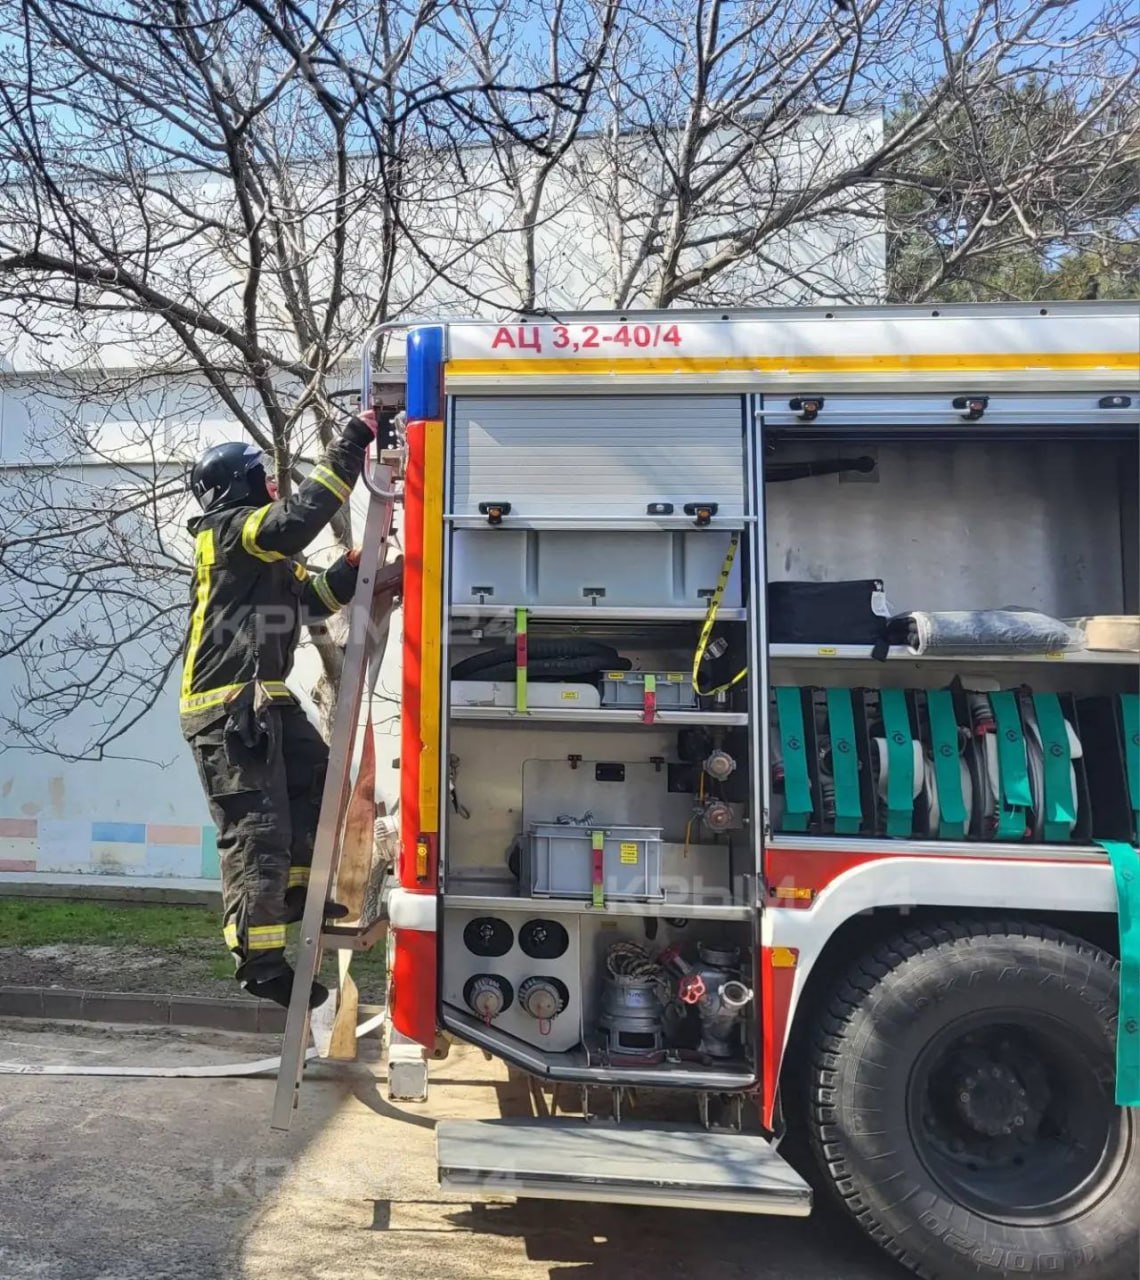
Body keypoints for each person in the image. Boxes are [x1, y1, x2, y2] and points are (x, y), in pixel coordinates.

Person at [181, 411, 400, 1008]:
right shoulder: (228, 531)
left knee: (316, 785)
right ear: (236, 485)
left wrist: (351, 571)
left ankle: (300, 893)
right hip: (225, 708)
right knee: (258, 831)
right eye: (261, 476)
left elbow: (309, 600)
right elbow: (300, 517)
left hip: (261, 699)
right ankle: (259, 960)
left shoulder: (262, 553)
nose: (272, 483)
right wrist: (354, 439)